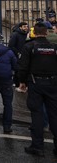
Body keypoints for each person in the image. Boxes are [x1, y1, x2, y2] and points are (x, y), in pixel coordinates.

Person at [18, 22, 57, 157]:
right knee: (54, 115)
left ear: (34, 33)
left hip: (35, 83)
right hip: (53, 83)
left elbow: (23, 67)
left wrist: (22, 82)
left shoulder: (29, 46)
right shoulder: (54, 47)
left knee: (37, 115)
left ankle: (37, 146)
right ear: (46, 33)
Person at [9, 21, 29, 91]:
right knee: (18, 69)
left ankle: (24, 83)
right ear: (20, 27)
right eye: (24, 26)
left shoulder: (27, 34)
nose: (26, 28)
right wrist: (17, 53)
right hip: (18, 54)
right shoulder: (15, 34)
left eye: (27, 26)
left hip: (26, 54)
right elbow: (11, 45)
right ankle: (17, 83)